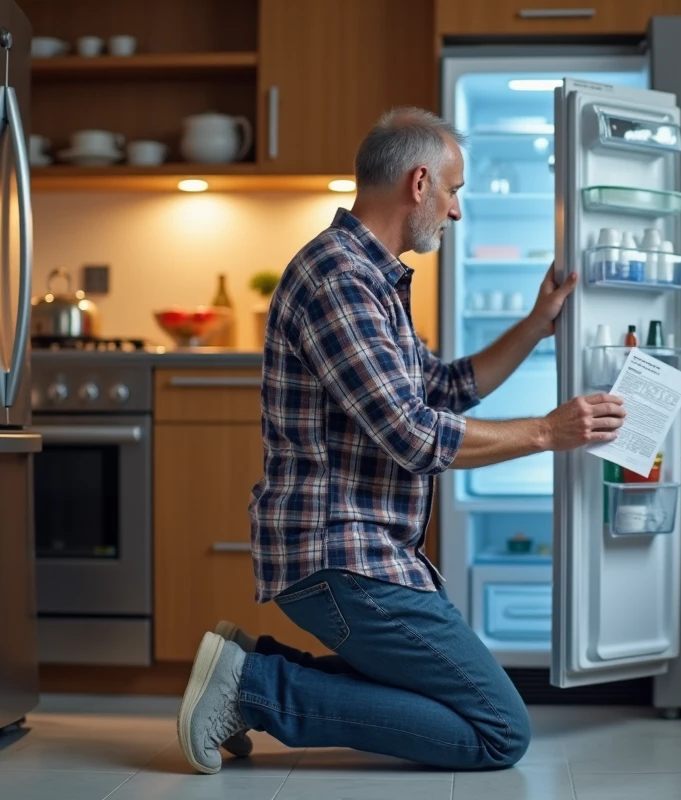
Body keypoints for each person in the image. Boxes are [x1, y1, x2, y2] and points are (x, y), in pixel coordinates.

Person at [175, 107, 627, 775]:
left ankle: (255, 672)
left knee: (465, 709)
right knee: (498, 733)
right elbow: (412, 436)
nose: (456, 211)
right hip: (339, 555)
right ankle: (255, 689)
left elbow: (441, 390)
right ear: (420, 184)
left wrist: (537, 324)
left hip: (363, 554)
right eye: (455, 191)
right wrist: (546, 432)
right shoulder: (342, 280)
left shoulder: (373, 277)